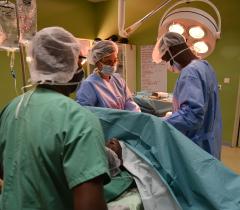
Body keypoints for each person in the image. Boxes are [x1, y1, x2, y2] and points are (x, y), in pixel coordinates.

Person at [0, 27, 110, 210]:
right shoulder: (79, 119)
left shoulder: (12, 108)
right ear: (67, 64)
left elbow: (5, 170)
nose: (80, 68)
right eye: (78, 61)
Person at [152, 32, 222, 159]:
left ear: (172, 51)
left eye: (166, 59)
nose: (168, 64)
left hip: (196, 145)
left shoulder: (190, 73)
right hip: (209, 139)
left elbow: (192, 115)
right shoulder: (204, 66)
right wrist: (176, 114)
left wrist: (163, 121)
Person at [76, 40, 140, 112]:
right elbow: (85, 112)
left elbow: (129, 102)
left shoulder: (118, 79)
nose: (112, 65)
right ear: (97, 62)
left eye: (115, 60)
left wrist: (134, 117)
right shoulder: (89, 85)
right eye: (108, 62)